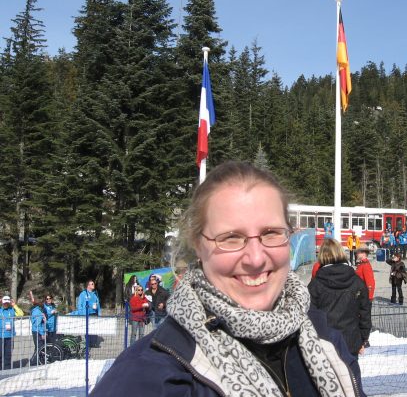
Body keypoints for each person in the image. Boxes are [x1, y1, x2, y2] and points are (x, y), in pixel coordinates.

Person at [91, 161, 365, 396]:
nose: (256, 259)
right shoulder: (151, 378)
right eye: (231, 238)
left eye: (271, 232)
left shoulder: (324, 340)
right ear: (198, 245)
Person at [308, 238, 372, 358]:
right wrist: (362, 339)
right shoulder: (357, 282)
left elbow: (309, 316)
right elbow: (365, 313)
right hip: (351, 342)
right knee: (349, 376)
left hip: (324, 344)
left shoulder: (315, 285)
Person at [1, 296, 24, 370]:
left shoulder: (11, 310)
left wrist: (15, 305)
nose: (6, 304)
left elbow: (21, 314)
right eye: (4, 303)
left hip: (10, 336)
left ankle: (6, 370)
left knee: (8, 354)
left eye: (7, 303)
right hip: (0, 336)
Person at [30, 301, 46, 366]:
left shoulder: (37, 310)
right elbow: (38, 324)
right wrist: (42, 333)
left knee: (39, 347)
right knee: (39, 347)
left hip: (36, 331)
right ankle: (33, 362)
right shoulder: (38, 311)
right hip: (37, 331)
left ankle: (38, 361)